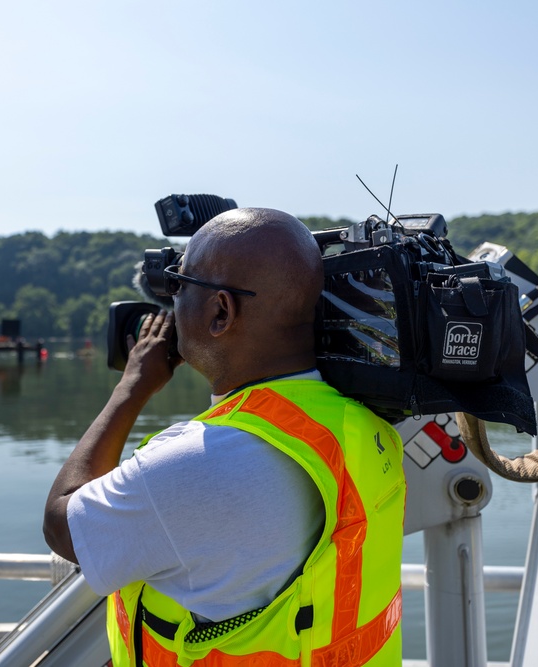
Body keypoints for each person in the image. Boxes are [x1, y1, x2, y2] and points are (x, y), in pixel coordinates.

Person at [43, 208, 406, 666]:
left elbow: (62, 525)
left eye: (179, 285)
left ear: (220, 311)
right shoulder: (362, 425)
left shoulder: (199, 465)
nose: (171, 306)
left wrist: (132, 387)